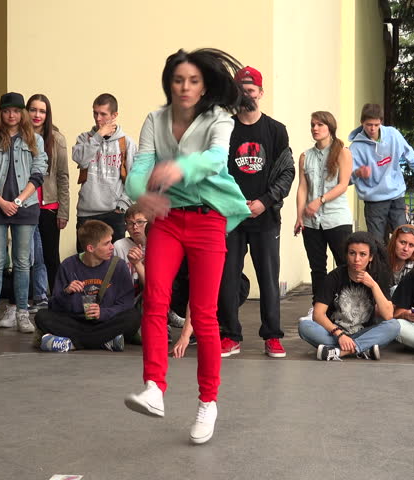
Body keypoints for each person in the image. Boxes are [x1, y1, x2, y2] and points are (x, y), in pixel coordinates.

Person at [123, 48, 253, 445]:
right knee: (155, 299)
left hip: (208, 219)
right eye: (178, 79)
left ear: (205, 85)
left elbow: (215, 160)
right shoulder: (154, 120)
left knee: (204, 313)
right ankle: (154, 388)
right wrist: (139, 196)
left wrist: (180, 167)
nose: (185, 87)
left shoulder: (219, 118)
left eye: (193, 80)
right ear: (169, 82)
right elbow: (140, 170)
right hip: (167, 220)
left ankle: (207, 402)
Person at [216, 65, 294, 359]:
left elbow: (286, 172)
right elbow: (215, 170)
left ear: (260, 93)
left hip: (266, 218)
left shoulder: (276, 131)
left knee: (268, 279)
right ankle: (230, 335)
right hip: (231, 218)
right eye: (241, 90)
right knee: (228, 277)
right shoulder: (224, 129)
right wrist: (235, 204)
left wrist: (265, 201)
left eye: (251, 90)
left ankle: (272, 336)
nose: (246, 95)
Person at [0, 92, 48, 336]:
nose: (11, 115)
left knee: (22, 262)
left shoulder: (35, 141)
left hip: (25, 208)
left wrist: (17, 201)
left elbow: (38, 174)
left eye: (16, 111)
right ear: (1, 113)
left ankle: (22, 314)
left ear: (22, 113)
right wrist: (1, 201)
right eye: (7, 111)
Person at [34, 220, 140, 352]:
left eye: (111, 242)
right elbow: (54, 306)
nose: (112, 247)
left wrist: (103, 313)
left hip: (105, 321)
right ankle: (105, 342)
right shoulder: (68, 265)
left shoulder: (118, 266)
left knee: (133, 317)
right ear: (91, 248)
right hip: (76, 321)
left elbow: (126, 303)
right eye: (107, 243)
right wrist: (66, 292)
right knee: (42, 316)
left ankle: (72, 343)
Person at [298, 231, 397, 361]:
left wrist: (373, 285)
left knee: (394, 326)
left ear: (370, 257)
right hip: (334, 333)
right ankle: (363, 348)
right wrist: (339, 335)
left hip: (364, 332)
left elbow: (388, 315)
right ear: (346, 255)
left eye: (363, 254)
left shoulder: (378, 276)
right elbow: (318, 314)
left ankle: (338, 352)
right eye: (352, 253)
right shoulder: (334, 277)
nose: (357, 259)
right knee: (304, 326)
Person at [294, 111, 353, 321]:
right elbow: (302, 188)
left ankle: (348, 308)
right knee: (317, 268)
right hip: (311, 222)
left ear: (330, 127)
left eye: (320, 124)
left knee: (345, 265)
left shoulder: (342, 152)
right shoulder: (304, 156)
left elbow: (343, 185)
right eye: (312, 125)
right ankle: (318, 310)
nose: (315, 128)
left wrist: (320, 200)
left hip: (337, 219)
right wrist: (299, 216)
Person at [347, 103, 414, 244]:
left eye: (376, 125)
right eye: (369, 124)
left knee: (403, 237)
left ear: (381, 122)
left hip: (396, 195)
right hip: (374, 201)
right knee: (377, 243)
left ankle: (403, 266)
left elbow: (409, 153)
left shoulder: (393, 135)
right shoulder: (356, 147)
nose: (372, 129)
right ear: (362, 123)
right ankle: (381, 266)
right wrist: (357, 173)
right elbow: (345, 179)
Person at [72, 93, 136, 251]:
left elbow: (135, 180)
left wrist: (122, 206)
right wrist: (98, 136)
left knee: (114, 265)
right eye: (95, 113)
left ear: (114, 116)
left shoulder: (126, 142)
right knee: (84, 261)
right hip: (87, 212)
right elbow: (80, 159)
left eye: (103, 114)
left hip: (114, 212)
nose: (98, 118)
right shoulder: (84, 138)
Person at [27, 93, 70, 293]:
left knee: (50, 256)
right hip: (25, 204)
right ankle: (28, 301)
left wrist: (64, 211)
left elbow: (63, 176)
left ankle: (58, 297)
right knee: (26, 257)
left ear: (47, 114)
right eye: (33, 109)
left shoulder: (57, 139)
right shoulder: (19, 137)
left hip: (49, 206)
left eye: (42, 111)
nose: (37, 114)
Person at [387, 224, 414, 294]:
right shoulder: (381, 262)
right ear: (394, 241)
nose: (406, 249)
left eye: (411, 245)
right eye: (402, 242)